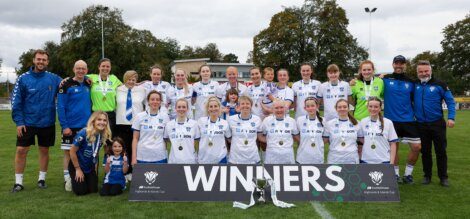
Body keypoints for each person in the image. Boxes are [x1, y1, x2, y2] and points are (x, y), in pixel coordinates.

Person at [11, 49, 62, 192]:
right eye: (38, 59)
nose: (41, 62)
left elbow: (68, 83)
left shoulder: (53, 78)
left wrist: (88, 80)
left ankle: (41, 179)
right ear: (34, 60)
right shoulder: (23, 78)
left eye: (44, 60)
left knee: (44, 150)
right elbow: (16, 102)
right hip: (27, 122)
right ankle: (18, 183)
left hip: (47, 122)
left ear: (47, 62)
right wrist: (19, 122)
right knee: (21, 150)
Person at [413, 60, 456, 187]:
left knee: (441, 151)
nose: (423, 73)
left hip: (437, 123)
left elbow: (450, 102)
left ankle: (443, 177)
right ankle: (427, 176)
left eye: (426, 71)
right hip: (421, 124)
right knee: (425, 152)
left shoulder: (440, 84)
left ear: (431, 71)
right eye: (420, 71)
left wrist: (451, 117)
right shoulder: (414, 84)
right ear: (417, 72)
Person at [383, 55, 421, 184]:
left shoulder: (412, 82)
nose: (399, 65)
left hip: (409, 120)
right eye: (396, 63)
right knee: (394, 148)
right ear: (393, 64)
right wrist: (355, 80)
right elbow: (367, 80)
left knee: (417, 147)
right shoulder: (385, 79)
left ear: (405, 65)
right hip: (391, 121)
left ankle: (408, 174)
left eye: (401, 63)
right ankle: (396, 174)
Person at [57, 60, 92, 192]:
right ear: (73, 69)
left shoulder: (89, 83)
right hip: (70, 126)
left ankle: (85, 176)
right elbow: (60, 106)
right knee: (68, 152)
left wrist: (88, 79)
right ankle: (67, 178)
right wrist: (65, 126)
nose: (81, 71)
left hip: (87, 126)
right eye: (78, 68)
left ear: (87, 70)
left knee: (85, 152)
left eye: (83, 69)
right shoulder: (65, 84)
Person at [69, 111, 111, 196]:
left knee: (93, 190)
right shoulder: (83, 133)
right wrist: (77, 169)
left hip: (89, 167)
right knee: (81, 192)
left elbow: (96, 153)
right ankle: (71, 180)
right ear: (93, 121)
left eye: (104, 120)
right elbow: (72, 151)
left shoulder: (103, 135)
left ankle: (86, 179)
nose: (102, 122)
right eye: (99, 119)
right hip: (77, 165)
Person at [115, 70, 145, 179]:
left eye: (133, 80)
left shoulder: (142, 90)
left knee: (135, 148)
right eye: (129, 79)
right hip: (121, 123)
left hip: (136, 124)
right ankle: (125, 172)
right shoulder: (118, 89)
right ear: (124, 79)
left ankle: (134, 171)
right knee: (124, 148)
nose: (131, 82)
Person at [131, 91, 170, 164]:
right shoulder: (139, 116)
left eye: (157, 99)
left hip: (160, 156)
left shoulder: (165, 117)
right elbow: (135, 139)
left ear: (160, 102)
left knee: (161, 175)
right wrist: (134, 158)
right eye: (152, 99)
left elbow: (166, 138)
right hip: (143, 156)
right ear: (148, 101)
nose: (155, 102)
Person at [359, 97, 398, 164]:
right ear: (367, 107)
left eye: (376, 107)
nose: (373, 109)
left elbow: (393, 144)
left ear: (380, 108)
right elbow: (360, 140)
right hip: (366, 160)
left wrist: (391, 163)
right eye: (370, 106)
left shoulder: (388, 122)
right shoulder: (363, 121)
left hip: (384, 160)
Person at [88, 58, 122, 134]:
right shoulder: (91, 77)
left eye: (108, 66)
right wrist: (66, 79)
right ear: (99, 67)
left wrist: (137, 84)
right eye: (103, 66)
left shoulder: (114, 79)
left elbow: (125, 86)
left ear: (110, 68)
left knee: (109, 140)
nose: (105, 68)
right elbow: (77, 78)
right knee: (94, 139)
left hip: (110, 115)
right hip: (96, 115)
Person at [259, 100, 299, 164]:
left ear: (285, 108)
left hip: (287, 157)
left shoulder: (292, 121)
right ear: (272, 109)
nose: (279, 110)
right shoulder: (267, 121)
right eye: (276, 108)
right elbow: (260, 136)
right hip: (271, 157)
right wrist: (271, 141)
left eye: (281, 107)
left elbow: (295, 137)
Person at [323, 99, 362, 164]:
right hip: (334, 159)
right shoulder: (329, 124)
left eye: (344, 107)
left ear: (348, 108)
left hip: (351, 159)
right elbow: (324, 141)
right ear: (336, 109)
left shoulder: (357, 123)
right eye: (339, 107)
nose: (342, 109)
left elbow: (361, 142)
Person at [228, 96, 263, 164]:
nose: (245, 106)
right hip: (235, 159)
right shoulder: (231, 119)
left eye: (247, 103)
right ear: (239, 106)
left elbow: (260, 137)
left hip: (253, 158)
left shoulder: (257, 119)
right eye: (242, 104)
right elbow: (228, 138)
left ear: (251, 105)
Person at [164, 98, 200, 164]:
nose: (181, 109)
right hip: (174, 161)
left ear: (187, 109)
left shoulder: (194, 124)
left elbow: (196, 142)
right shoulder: (169, 125)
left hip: (190, 160)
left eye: (184, 107)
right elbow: (166, 140)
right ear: (175, 109)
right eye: (179, 107)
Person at [197, 97, 232, 164]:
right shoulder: (201, 121)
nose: (213, 109)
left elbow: (229, 139)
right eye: (211, 106)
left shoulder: (224, 123)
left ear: (219, 108)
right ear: (208, 109)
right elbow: (196, 139)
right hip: (204, 158)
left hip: (220, 158)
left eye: (215, 106)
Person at [295, 97, 325, 164]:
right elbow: (296, 136)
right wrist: (304, 142)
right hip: (302, 158)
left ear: (317, 106)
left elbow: (325, 138)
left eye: (312, 106)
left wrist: (317, 142)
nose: (310, 108)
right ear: (305, 108)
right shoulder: (299, 120)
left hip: (318, 158)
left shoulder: (323, 120)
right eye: (308, 106)